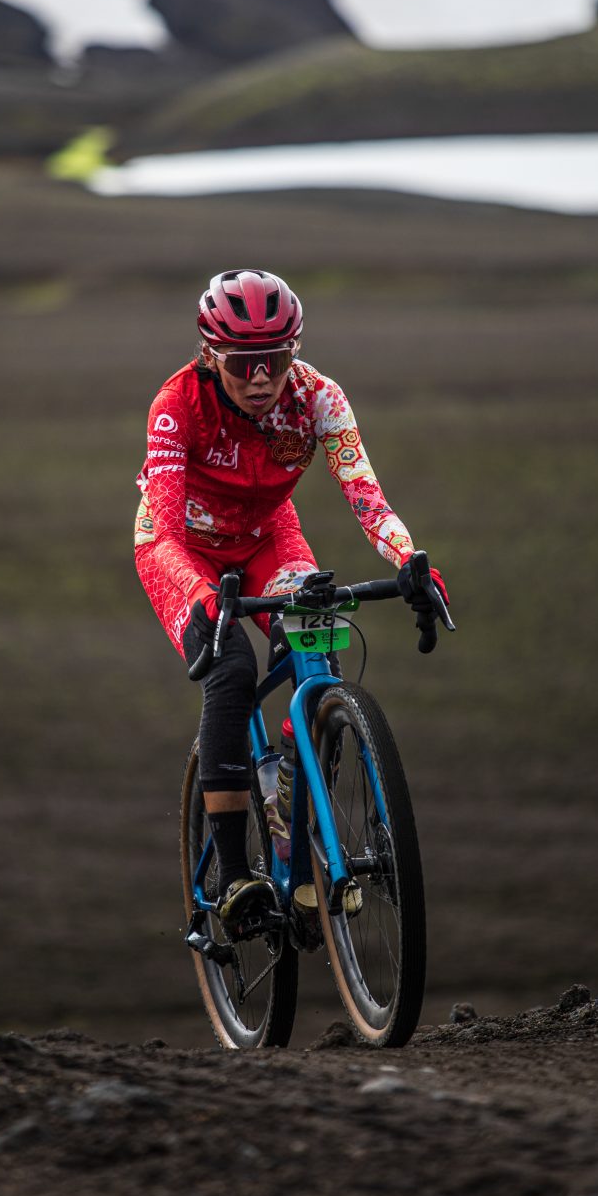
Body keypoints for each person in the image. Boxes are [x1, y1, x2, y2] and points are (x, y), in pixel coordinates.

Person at [135, 268, 448, 932]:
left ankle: (289, 797)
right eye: (241, 362)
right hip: (182, 552)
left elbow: (367, 498)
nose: (260, 378)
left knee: (314, 637)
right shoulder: (176, 405)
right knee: (231, 670)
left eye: (274, 360)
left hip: (266, 539)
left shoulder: (318, 398)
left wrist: (409, 561)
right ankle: (233, 876)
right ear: (209, 355)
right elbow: (163, 531)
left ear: (294, 353)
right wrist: (199, 594)